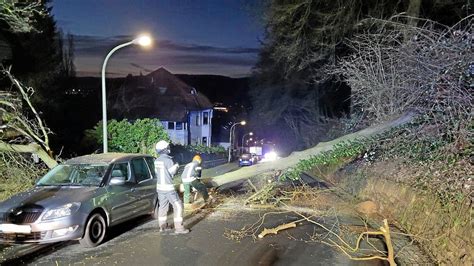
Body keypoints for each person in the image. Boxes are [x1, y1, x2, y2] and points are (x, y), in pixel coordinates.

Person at [154, 140, 189, 234]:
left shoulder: (157, 160)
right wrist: (176, 165)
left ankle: (163, 227)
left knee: (163, 207)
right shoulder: (168, 160)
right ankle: (179, 228)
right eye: (167, 147)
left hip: (160, 188)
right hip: (168, 188)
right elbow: (172, 172)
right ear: (164, 149)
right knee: (178, 206)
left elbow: (158, 173)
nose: (169, 149)